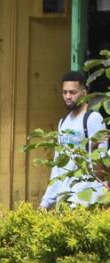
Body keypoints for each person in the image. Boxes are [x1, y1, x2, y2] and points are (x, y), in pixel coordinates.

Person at [40, 70, 108, 208]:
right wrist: (46, 202)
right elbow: (58, 166)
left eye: (72, 92)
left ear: (84, 92)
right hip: (65, 199)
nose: (68, 96)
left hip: (87, 200)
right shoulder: (63, 122)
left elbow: (102, 165)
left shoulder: (93, 119)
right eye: (64, 92)